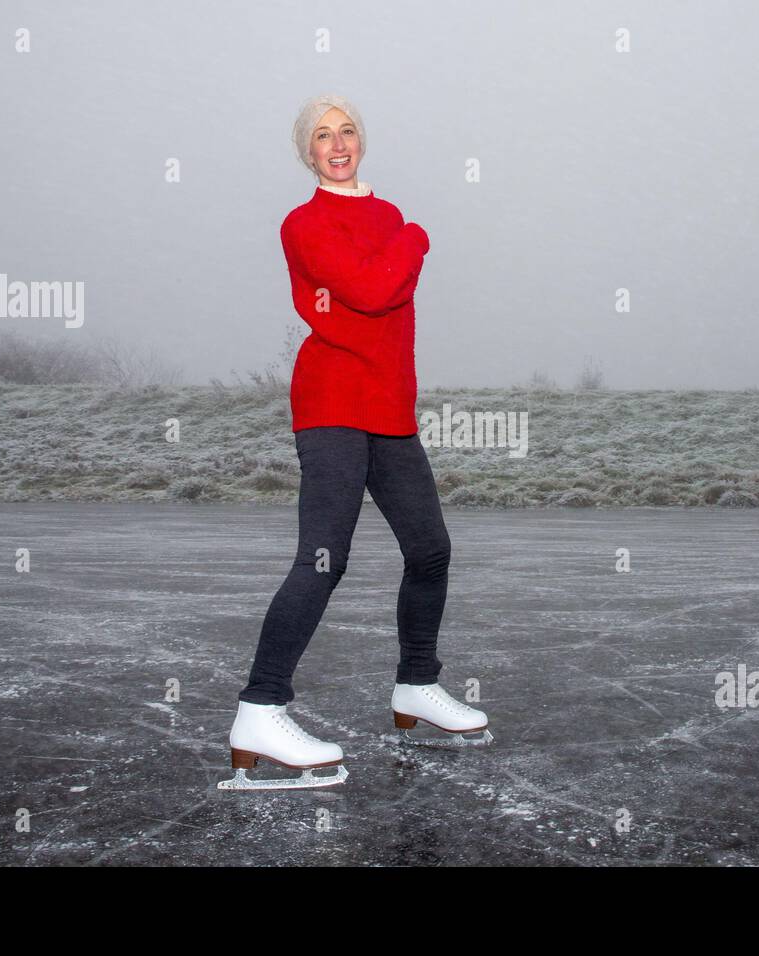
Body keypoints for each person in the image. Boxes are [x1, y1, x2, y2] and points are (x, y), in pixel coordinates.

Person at [221, 95, 490, 792]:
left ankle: (416, 686)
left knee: (430, 548)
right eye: (321, 136)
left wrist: (394, 250)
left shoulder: (386, 216)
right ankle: (260, 706)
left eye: (346, 133)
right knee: (323, 559)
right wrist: (418, 241)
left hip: (390, 407)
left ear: (360, 142)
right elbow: (373, 291)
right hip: (333, 403)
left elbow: (379, 305)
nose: (336, 144)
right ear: (306, 152)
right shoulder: (305, 224)